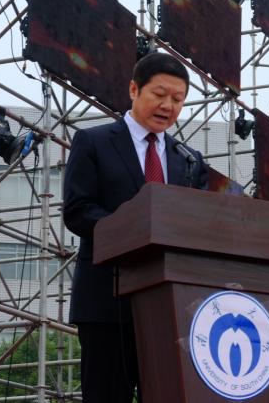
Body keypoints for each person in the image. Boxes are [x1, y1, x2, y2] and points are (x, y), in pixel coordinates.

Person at [63, 53, 208, 403]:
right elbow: (78, 211)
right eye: (159, 94)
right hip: (106, 300)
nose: (168, 106)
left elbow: (199, 222)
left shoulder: (189, 160)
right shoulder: (93, 142)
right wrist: (138, 230)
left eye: (178, 99)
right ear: (133, 89)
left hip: (170, 307)